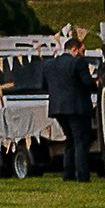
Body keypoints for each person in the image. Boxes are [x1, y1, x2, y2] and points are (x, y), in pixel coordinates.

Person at [39, 36, 96, 183]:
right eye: (82, 51)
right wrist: (97, 83)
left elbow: (43, 86)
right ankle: (82, 175)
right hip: (77, 107)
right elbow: (87, 83)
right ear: (74, 49)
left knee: (70, 140)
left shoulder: (48, 65)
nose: (83, 55)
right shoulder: (78, 62)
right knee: (81, 141)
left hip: (57, 108)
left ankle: (68, 173)